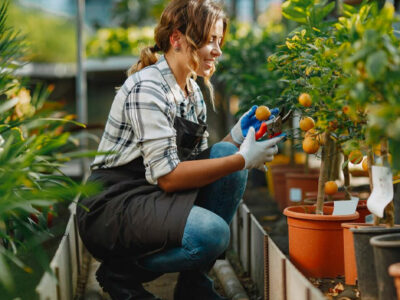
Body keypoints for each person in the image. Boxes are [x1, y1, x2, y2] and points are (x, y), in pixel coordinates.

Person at [76, 0, 285, 299]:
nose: (218, 50)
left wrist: (238, 136)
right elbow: (170, 177)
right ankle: (121, 273)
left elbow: (202, 164)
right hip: (115, 206)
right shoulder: (147, 88)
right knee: (211, 234)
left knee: (227, 160)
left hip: (154, 196)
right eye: (209, 40)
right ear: (177, 38)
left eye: (219, 40)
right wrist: (243, 160)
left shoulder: (192, 91)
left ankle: (193, 287)